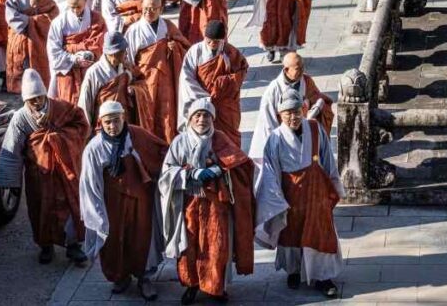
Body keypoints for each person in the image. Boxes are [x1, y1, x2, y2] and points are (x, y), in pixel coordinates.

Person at [159, 98, 255, 304]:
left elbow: (240, 164)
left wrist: (221, 169)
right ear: (190, 118)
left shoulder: (220, 138)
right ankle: (191, 285)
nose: (201, 119)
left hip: (215, 205)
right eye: (197, 115)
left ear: (212, 118)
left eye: (206, 116)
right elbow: (166, 173)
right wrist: (190, 175)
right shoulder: (180, 141)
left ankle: (215, 287)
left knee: (217, 247)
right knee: (189, 248)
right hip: (190, 203)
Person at [254, 92, 344, 299]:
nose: (293, 117)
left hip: (316, 191)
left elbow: (327, 157)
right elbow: (269, 171)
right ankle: (293, 271)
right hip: (291, 193)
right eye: (287, 113)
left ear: (303, 110)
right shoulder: (275, 138)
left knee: (320, 232)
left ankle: (323, 276)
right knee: (292, 233)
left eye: (296, 112)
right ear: (280, 115)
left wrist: (334, 184)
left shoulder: (315, 128)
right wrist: (276, 198)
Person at [0, 70, 90, 266]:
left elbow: (82, 124)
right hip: (38, 174)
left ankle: (73, 246)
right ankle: (45, 246)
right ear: (25, 100)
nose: (37, 102)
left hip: (66, 170)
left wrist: (62, 139)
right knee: (41, 209)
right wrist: (10, 183)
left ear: (45, 94)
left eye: (39, 97)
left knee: (71, 206)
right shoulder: (21, 118)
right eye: (31, 100)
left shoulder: (61, 107)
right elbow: (11, 150)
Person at [79, 100, 166, 301]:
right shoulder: (94, 148)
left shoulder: (137, 135)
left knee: (142, 238)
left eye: (116, 121)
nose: (112, 126)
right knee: (115, 240)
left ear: (123, 118)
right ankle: (121, 276)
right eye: (107, 122)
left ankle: (144, 277)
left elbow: (162, 151)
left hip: (140, 199)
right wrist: (97, 214)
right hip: (113, 203)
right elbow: (89, 184)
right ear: (101, 122)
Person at [124, 0, 191, 144]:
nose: (149, 11)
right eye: (146, 8)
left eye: (154, 9)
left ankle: (169, 144)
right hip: (145, 79)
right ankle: (151, 144)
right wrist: (131, 78)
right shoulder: (134, 30)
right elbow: (128, 59)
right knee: (149, 113)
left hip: (166, 79)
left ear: (161, 9)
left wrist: (175, 48)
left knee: (167, 113)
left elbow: (185, 46)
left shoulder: (167, 26)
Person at [248, 52, 334, 161]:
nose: (302, 71)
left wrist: (316, 107)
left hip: (304, 134)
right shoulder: (273, 90)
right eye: (298, 68)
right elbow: (267, 122)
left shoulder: (306, 81)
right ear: (286, 69)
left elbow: (316, 97)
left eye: (303, 67)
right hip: (284, 137)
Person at [177, 19, 247, 146]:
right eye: (208, 41)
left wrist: (225, 83)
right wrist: (204, 97)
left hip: (224, 102)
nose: (212, 44)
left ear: (222, 39)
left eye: (216, 41)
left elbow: (242, 71)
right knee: (202, 133)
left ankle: (231, 163)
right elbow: (187, 78)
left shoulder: (230, 52)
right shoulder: (195, 51)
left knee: (228, 137)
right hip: (200, 100)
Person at [5, 0, 59, 93]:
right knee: (20, 61)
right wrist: (30, 21)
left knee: (40, 60)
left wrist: (36, 20)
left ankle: (39, 86)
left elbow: (53, 13)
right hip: (21, 35)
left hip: (40, 37)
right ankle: (19, 87)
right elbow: (11, 16)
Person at [46, 0, 104, 102]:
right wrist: (74, 59)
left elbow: (100, 43)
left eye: (79, 7)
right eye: (72, 7)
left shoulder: (96, 19)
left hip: (91, 68)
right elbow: (54, 52)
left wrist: (89, 55)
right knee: (67, 103)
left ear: (86, 1)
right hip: (67, 70)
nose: (75, 10)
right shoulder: (58, 22)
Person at [78, 31, 140, 128]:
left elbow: (140, 84)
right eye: (121, 52)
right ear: (112, 53)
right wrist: (86, 129)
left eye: (124, 51)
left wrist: (133, 90)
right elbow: (85, 103)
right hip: (105, 124)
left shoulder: (126, 68)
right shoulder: (94, 72)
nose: (125, 55)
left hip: (123, 121)